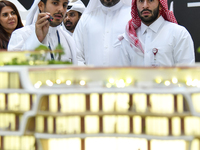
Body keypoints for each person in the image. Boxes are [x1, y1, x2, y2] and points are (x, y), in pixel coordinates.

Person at [118, 0, 195, 66]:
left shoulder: (178, 34)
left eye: (151, 0)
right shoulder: (128, 39)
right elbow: (123, 77)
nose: (145, 6)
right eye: (141, 1)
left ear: (160, 5)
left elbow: (186, 75)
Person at [8, 0, 77, 64]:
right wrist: (37, 39)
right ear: (41, 5)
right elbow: (14, 68)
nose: (61, 9)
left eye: (64, 5)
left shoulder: (68, 39)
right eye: (55, 3)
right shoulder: (21, 35)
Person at [73, 0, 131, 66]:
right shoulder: (86, 18)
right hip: (91, 75)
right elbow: (76, 55)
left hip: (126, 75)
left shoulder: (132, 16)